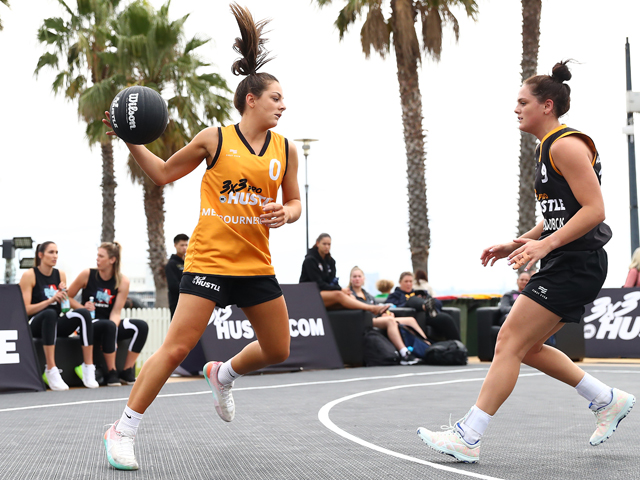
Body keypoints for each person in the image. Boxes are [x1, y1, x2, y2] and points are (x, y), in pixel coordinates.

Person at [101, 3, 302, 470]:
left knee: (278, 349)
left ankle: (223, 373)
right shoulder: (214, 139)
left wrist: (284, 215)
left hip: (256, 264)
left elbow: (295, 204)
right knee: (175, 347)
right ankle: (122, 429)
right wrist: (131, 140)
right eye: (276, 98)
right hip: (209, 261)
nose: (283, 105)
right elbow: (163, 174)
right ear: (250, 99)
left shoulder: (287, 150)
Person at [417, 61, 635, 464]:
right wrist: (521, 241)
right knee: (529, 347)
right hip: (569, 259)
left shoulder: (565, 145)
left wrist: (544, 246)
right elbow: (559, 211)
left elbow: (594, 210)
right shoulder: (547, 147)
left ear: (546, 106)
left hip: (577, 261)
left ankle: (469, 435)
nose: (515, 109)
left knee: (508, 343)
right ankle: (607, 399)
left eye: (522, 102)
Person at [18, 241, 98, 391]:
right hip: (36, 323)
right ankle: (51, 368)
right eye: (51, 252)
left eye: (56, 252)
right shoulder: (30, 275)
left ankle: (88, 367)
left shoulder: (60, 274)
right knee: (49, 313)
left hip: (54, 321)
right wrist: (50, 300)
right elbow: (25, 310)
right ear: (40, 255)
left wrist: (64, 296)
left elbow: (64, 309)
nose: (55, 256)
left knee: (83, 314)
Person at [68, 242, 149, 387]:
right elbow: (67, 297)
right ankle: (111, 371)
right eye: (97, 255)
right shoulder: (87, 274)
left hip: (109, 323)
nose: (97, 259)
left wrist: (114, 331)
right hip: (89, 324)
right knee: (108, 325)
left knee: (141, 326)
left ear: (112, 260)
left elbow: (116, 312)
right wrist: (82, 308)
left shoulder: (122, 281)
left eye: (101, 256)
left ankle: (127, 370)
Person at [349, 267, 425, 365]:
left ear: (363, 278)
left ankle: (426, 345)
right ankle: (404, 353)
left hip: (376, 318)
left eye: (359, 276)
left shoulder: (368, 295)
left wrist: (384, 313)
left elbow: (377, 308)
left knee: (410, 320)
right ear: (350, 279)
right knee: (390, 321)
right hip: (365, 320)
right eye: (354, 276)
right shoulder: (350, 295)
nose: (357, 279)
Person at [299, 233, 389, 316]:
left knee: (349, 297)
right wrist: (340, 289)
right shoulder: (310, 260)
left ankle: (372, 315)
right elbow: (318, 284)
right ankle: (371, 308)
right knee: (339, 295)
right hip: (310, 294)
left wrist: (341, 290)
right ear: (318, 244)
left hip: (324, 293)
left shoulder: (331, 261)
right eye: (324, 244)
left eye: (329, 244)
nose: (327, 247)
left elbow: (332, 281)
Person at [386, 272, 461, 342]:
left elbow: (438, 303)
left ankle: (458, 348)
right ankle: (424, 306)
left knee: (446, 318)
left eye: (410, 281)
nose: (408, 284)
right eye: (406, 281)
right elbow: (393, 307)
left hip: (428, 316)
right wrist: (407, 300)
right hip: (412, 317)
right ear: (400, 282)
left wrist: (429, 301)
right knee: (412, 300)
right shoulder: (394, 296)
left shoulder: (420, 293)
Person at [165, 233, 189, 318]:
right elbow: (173, 286)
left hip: (190, 303)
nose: (184, 248)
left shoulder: (189, 262)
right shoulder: (171, 264)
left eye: (186, 245)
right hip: (177, 303)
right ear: (175, 245)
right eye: (182, 245)